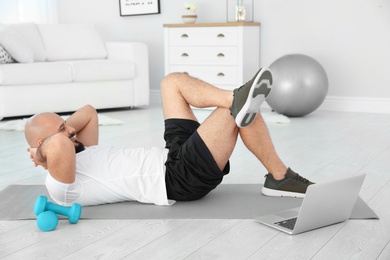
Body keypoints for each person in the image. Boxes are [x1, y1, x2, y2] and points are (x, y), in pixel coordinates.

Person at [25, 68, 313, 206]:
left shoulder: (81, 150)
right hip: (177, 179)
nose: (71, 130)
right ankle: (279, 176)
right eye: (62, 129)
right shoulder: (61, 186)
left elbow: (87, 112)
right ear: (43, 146)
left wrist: (56, 132)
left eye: (66, 125)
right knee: (234, 114)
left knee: (171, 82)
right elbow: (59, 144)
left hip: (172, 155)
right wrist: (41, 155)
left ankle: (235, 98)